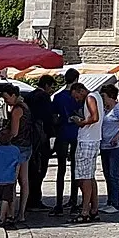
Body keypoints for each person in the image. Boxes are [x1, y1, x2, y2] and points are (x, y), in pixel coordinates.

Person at [71, 75, 104, 222]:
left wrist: (81, 122)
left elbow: (94, 117)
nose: (76, 99)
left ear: (81, 90)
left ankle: (85, 210)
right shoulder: (97, 95)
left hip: (87, 140)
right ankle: (94, 208)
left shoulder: (90, 97)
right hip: (94, 139)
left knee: (84, 178)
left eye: (76, 96)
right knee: (90, 176)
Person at [50, 71, 84, 214]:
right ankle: (74, 201)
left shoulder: (58, 97)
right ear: (76, 79)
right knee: (76, 169)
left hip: (62, 133)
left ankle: (58, 203)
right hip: (76, 133)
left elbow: (54, 117)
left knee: (61, 169)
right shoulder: (79, 97)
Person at [0, 121, 26, 231]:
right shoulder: (15, 150)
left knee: (5, 198)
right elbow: (19, 162)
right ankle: (9, 216)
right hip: (10, 178)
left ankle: (2, 218)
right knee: (8, 198)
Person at [24, 76, 56, 211]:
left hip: (29, 138)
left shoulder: (29, 96)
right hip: (40, 138)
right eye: (51, 87)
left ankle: (30, 199)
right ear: (47, 85)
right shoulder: (43, 97)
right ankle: (35, 200)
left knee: (31, 170)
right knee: (40, 169)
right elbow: (48, 119)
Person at [97, 83, 119, 214]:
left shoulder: (118, 108)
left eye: (104, 96)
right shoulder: (104, 109)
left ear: (111, 97)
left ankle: (115, 203)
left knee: (114, 174)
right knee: (107, 174)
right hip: (105, 146)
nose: (102, 99)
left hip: (116, 146)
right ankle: (109, 201)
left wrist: (117, 136)